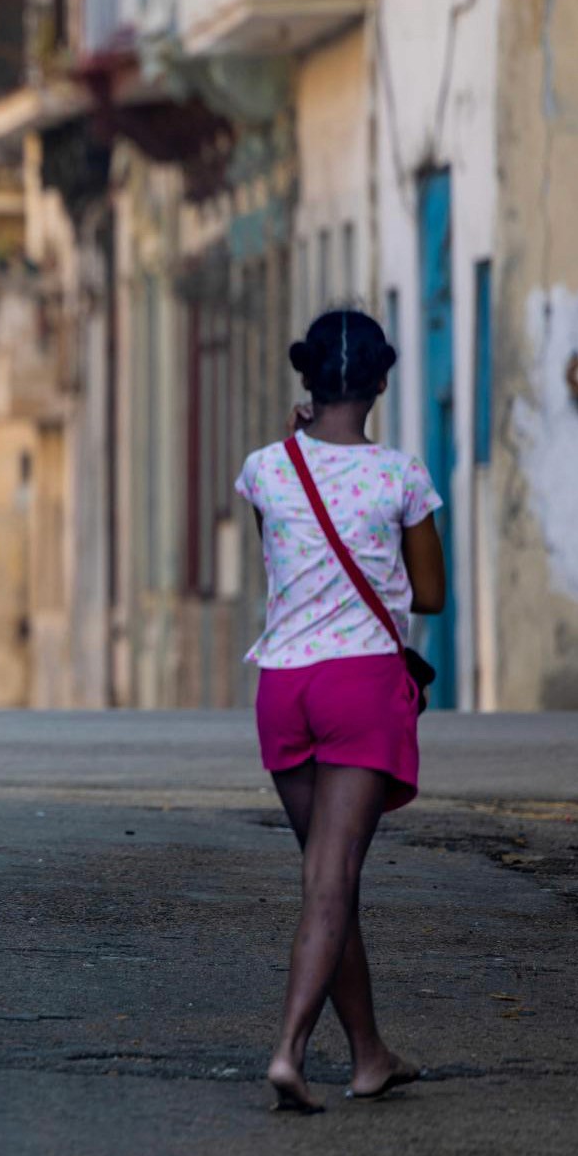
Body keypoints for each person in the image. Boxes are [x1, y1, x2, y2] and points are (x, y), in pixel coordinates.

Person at [234, 308, 445, 1112]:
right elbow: (429, 594)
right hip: (360, 684)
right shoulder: (401, 476)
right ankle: (289, 1051)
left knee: (330, 874)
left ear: (307, 380)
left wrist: (297, 440)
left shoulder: (267, 467)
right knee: (332, 876)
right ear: (383, 382)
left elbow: (279, 552)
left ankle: (368, 1055)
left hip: (284, 687)